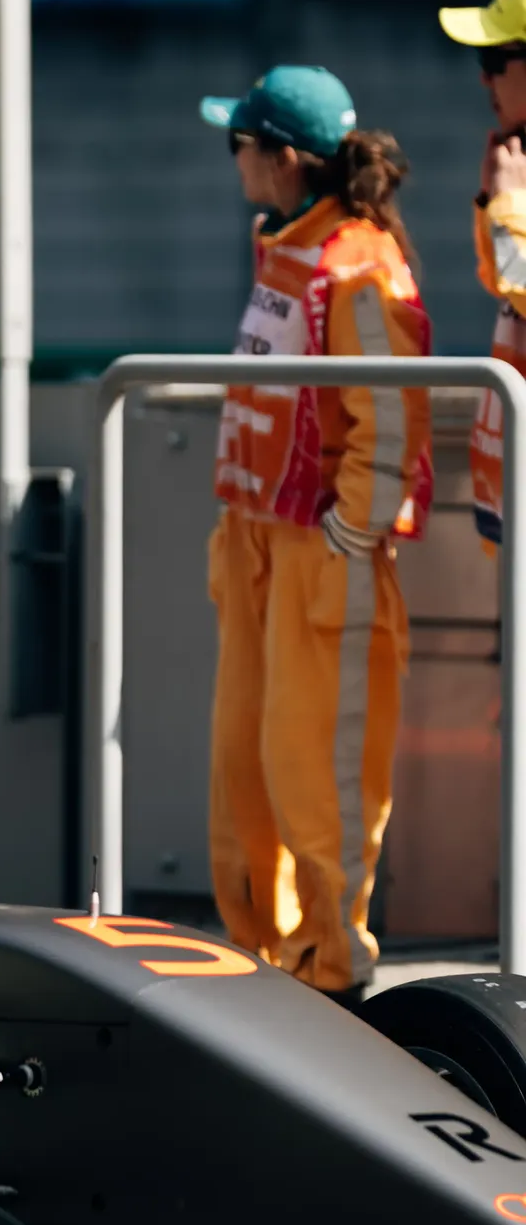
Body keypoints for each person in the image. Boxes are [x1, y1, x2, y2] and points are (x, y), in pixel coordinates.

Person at [200, 63, 433, 1000]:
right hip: (260, 545)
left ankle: (333, 973)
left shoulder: (356, 259)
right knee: (245, 776)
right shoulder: (289, 244)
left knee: (319, 778)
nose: (233, 162)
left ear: (285, 158)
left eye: (239, 143)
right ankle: (260, 961)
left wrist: (351, 530)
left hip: (320, 555)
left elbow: (390, 410)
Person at [436, 0, 526, 547]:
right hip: (511, 499)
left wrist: (509, 206)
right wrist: (492, 202)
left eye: (494, 60)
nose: (483, 78)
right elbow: (503, 283)